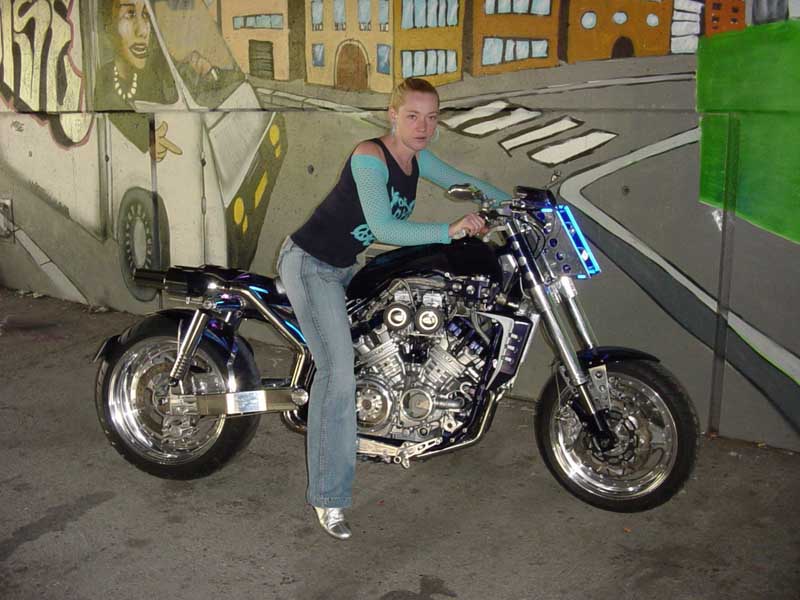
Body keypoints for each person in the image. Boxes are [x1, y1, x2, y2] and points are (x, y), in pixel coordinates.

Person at [277, 77, 510, 540]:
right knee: (337, 374)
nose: (423, 126)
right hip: (311, 266)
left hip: (345, 267)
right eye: (413, 116)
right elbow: (383, 227)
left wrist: (521, 206)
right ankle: (328, 497)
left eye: (431, 118)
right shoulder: (370, 157)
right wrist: (450, 230)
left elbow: (468, 184)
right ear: (393, 115)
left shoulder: (417, 157)